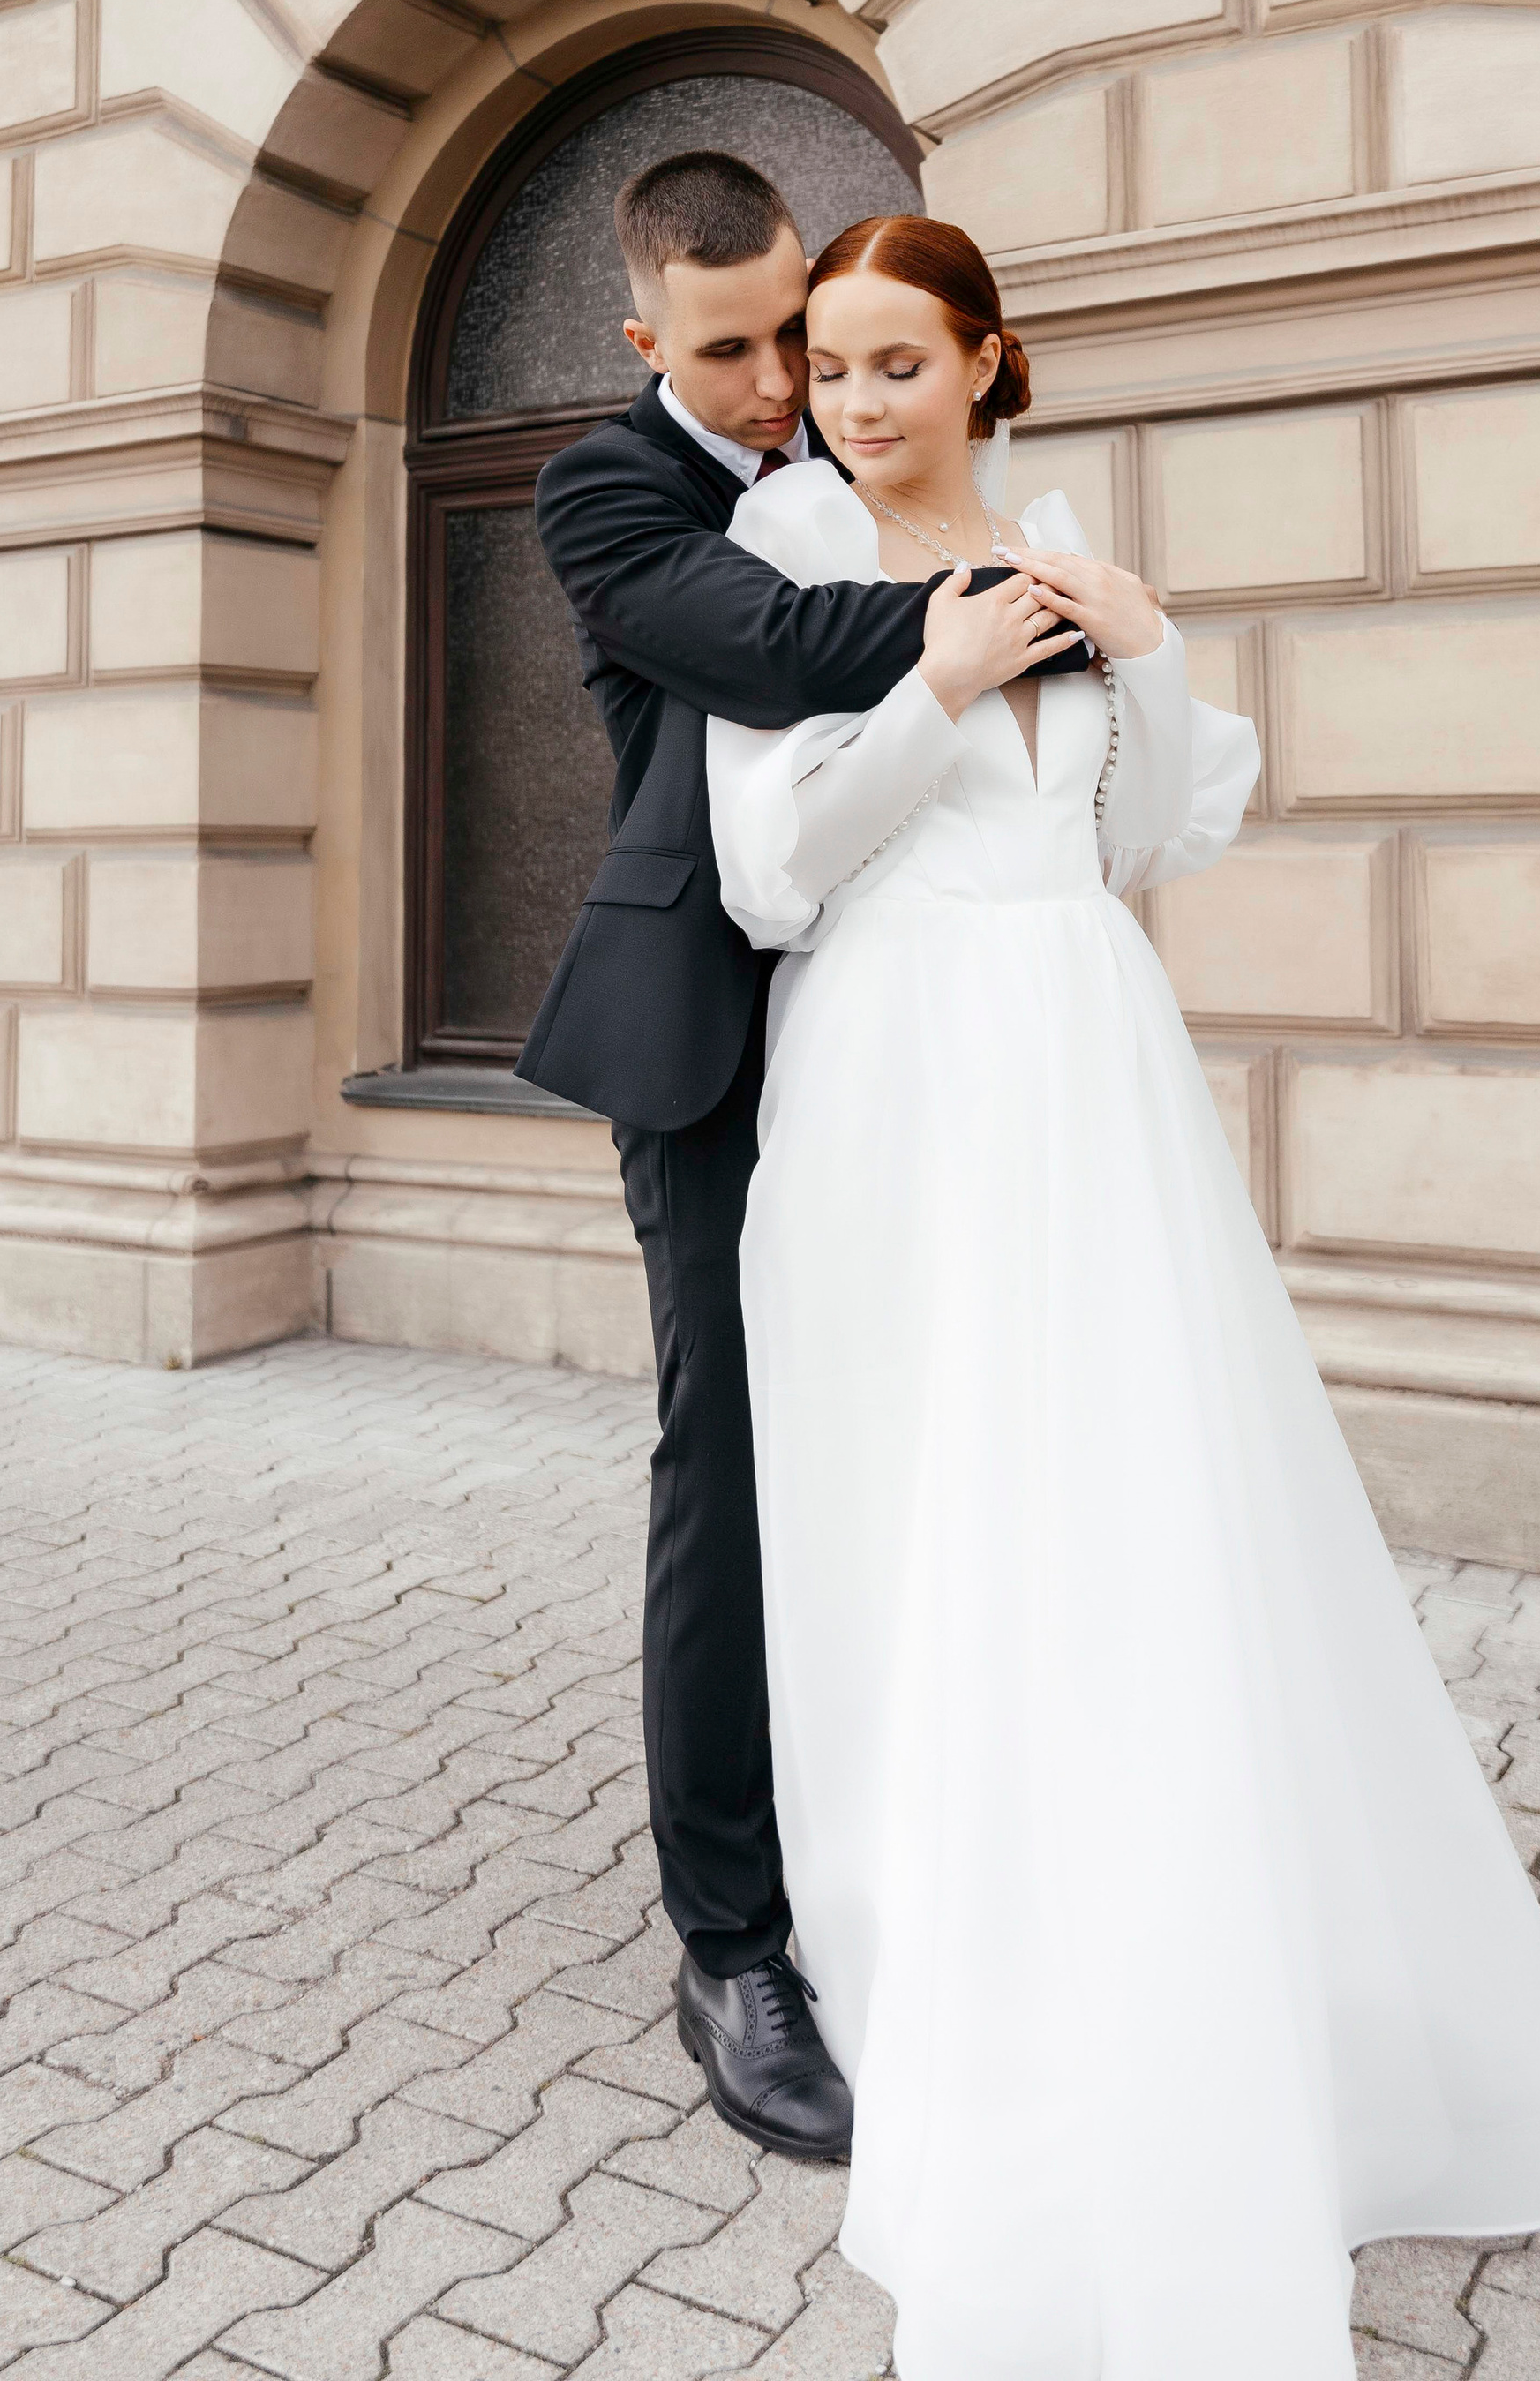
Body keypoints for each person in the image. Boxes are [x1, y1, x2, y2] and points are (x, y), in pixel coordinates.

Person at [705, 212, 1540, 2379]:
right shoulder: (778, 543)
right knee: (913, 1513)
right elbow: (770, 876)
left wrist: (1135, 656)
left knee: (1130, 1511)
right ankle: (919, 1967)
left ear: (983, 361)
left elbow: (1143, 841)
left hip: (1088, 1060)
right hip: (893, 1075)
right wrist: (928, 686)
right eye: (824, 368)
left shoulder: (1060, 534)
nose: (848, 400)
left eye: (889, 363)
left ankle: (1163, 1936)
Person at [520, 153, 1075, 2159]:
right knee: (731, 1473)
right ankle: (731, 1942)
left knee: (944, 1446)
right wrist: (1023, 607)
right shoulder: (608, 489)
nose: (782, 382)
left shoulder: (865, 454)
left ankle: (920, 1839)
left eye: (805, 336)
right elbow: (761, 651)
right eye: (738, 345)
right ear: (646, 334)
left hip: (924, 1027)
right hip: (713, 1052)